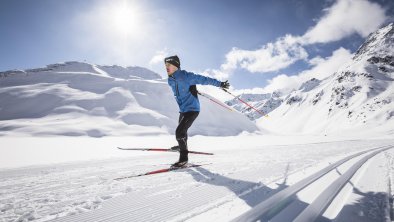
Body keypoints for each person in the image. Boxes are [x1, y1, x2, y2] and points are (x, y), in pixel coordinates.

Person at [165, 55, 230, 167]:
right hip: (183, 110)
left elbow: (204, 79)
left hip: (192, 109)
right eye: (165, 65)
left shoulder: (186, 76)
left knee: (179, 132)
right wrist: (192, 89)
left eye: (168, 65)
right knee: (182, 132)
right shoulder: (170, 80)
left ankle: (183, 159)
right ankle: (182, 146)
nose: (166, 67)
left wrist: (220, 84)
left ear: (175, 66)